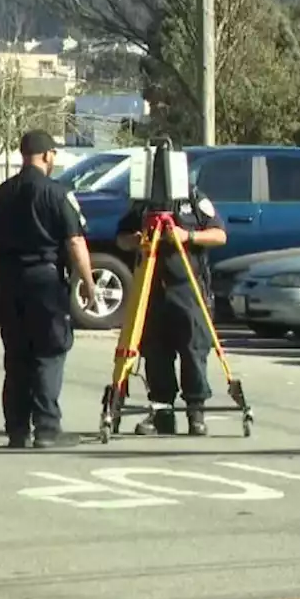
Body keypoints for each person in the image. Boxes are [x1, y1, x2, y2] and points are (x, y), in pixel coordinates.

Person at [0, 130, 97, 449]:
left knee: (17, 356)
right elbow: (75, 241)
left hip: (10, 282)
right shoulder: (56, 193)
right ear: (48, 156)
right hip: (45, 282)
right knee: (49, 352)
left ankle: (17, 429)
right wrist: (88, 282)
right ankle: (47, 428)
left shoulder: (1, 194)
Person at [115, 181, 227, 436]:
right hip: (151, 288)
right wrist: (134, 240)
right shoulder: (142, 203)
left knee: (193, 349)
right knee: (154, 352)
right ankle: (162, 413)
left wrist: (188, 236)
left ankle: (196, 413)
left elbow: (220, 235)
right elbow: (120, 238)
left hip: (187, 287)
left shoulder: (193, 199)